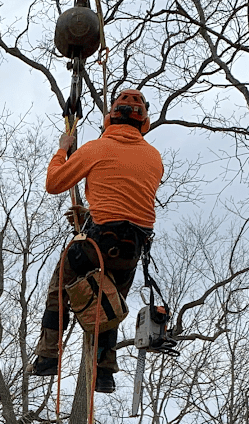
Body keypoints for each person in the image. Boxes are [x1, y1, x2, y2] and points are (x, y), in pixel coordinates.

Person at [30, 87, 164, 394]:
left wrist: (63, 149)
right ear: (144, 123)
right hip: (131, 252)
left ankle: (48, 357)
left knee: (59, 289)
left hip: (97, 245)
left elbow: (54, 183)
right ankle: (104, 372)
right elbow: (125, 196)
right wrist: (90, 213)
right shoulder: (155, 158)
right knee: (110, 303)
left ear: (109, 119)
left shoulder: (96, 148)